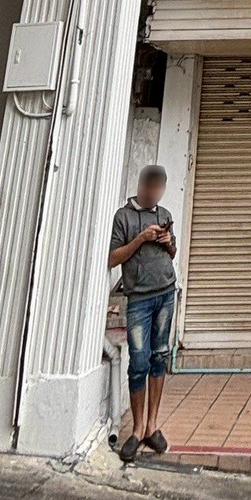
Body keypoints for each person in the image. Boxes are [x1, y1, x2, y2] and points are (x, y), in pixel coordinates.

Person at [109, 165, 177, 463]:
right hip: (139, 299)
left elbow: (172, 254)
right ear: (141, 186)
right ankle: (136, 430)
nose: (154, 195)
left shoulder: (164, 214)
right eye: (150, 189)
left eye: (159, 190)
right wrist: (140, 238)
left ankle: (152, 426)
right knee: (138, 363)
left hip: (166, 293)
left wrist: (168, 242)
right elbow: (112, 258)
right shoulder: (123, 217)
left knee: (159, 357)